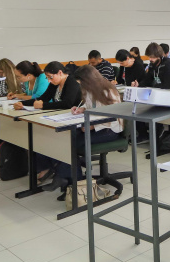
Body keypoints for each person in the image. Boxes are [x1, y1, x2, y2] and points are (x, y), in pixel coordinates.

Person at [39, 65, 125, 193]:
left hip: (110, 130)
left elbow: (112, 118)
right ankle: (71, 181)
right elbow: (90, 105)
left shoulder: (108, 91)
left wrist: (92, 126)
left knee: (71, 144)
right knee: (63, 139)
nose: (81, 85)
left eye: (82, 82)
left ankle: (75, 183)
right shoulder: (91, 89)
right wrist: (82, 108)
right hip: (93, 126)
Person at [15, 61, 82, 111]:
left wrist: (43, 105)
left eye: (50, 77)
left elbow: (67, 104)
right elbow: (43, 98)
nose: (49, 81)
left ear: (60, 73)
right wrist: (22, 103)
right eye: (47, 78)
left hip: (74, 115)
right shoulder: (55, 83)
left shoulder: (72, 81)